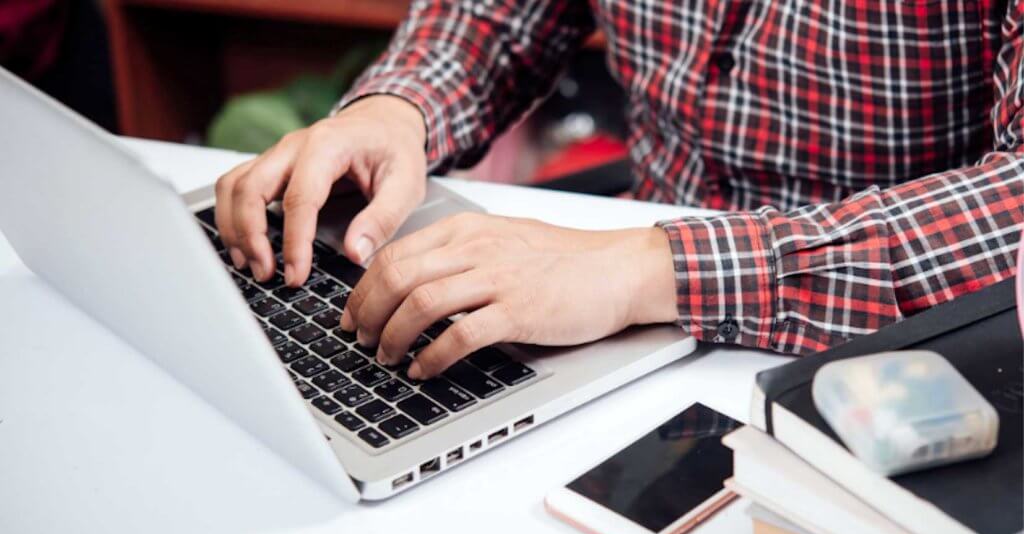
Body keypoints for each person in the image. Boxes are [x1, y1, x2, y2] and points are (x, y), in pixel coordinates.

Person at [214, 1, 1022, 381]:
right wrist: (403, 104)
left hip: (895, 362)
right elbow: (499, 16)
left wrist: (645, 270)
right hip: (611, 313)